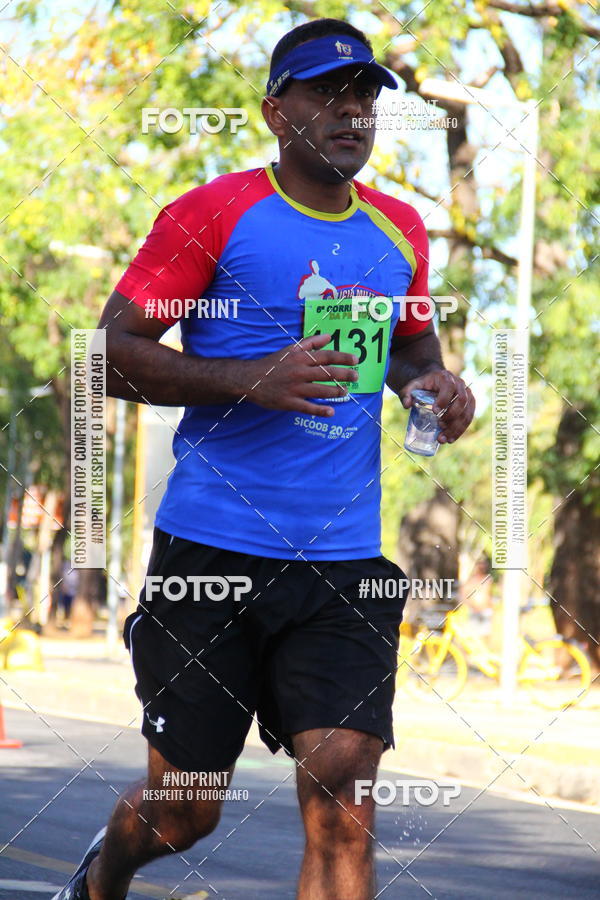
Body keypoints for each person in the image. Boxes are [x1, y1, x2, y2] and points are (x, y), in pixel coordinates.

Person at [54, 16, 475, 900]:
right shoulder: (213, 213)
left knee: (346, 799)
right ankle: (102, 877)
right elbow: (105, 357)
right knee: (186, 808)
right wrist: (249, 378)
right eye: (328, 92)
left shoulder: (400, 230)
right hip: (212, 554)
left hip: (343, 561)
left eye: (365, 95)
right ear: (275, 112)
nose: (352, 110)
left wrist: (435, 388)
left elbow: (411, 352)